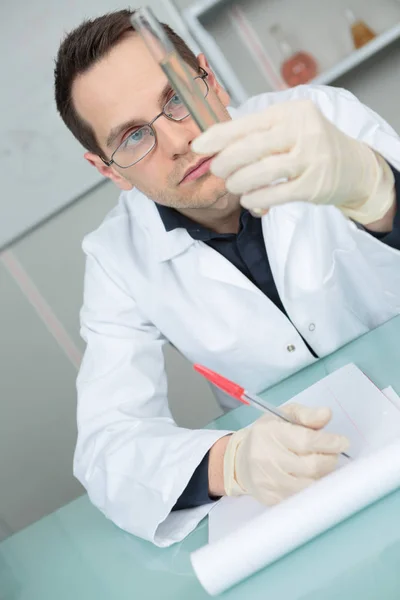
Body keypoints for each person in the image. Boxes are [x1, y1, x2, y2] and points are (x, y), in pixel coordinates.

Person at [54, 9, 400, 547]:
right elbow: (107, 447)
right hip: (312, 491)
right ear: (108, 169)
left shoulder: (322, 117)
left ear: (209, 80)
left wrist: (379, 191)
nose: (175, 140)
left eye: (175, 98)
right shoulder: (115, 258)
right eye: (132, 137)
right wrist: (231, 462)